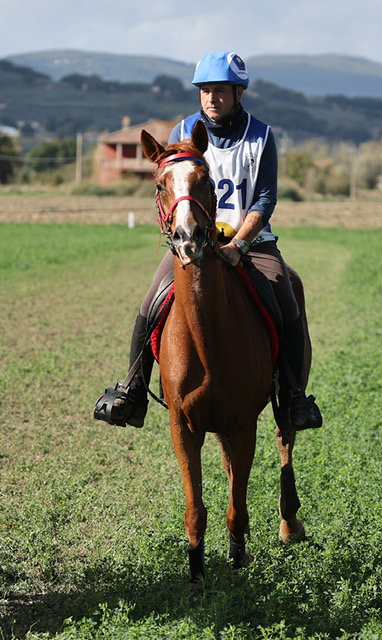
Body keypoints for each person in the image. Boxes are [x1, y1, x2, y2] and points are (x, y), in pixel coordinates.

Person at [94, 50, 322, 432]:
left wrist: (238, 246)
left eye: (219, 91)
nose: (211, 98)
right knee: (152, 300)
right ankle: (132, 390)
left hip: (252, 242)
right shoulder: (182, 132)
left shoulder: (261, 136)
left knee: (284, 297)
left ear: (238, 93)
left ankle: (294, 397)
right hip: (192, 241)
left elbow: (265, 199)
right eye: (205, 90)